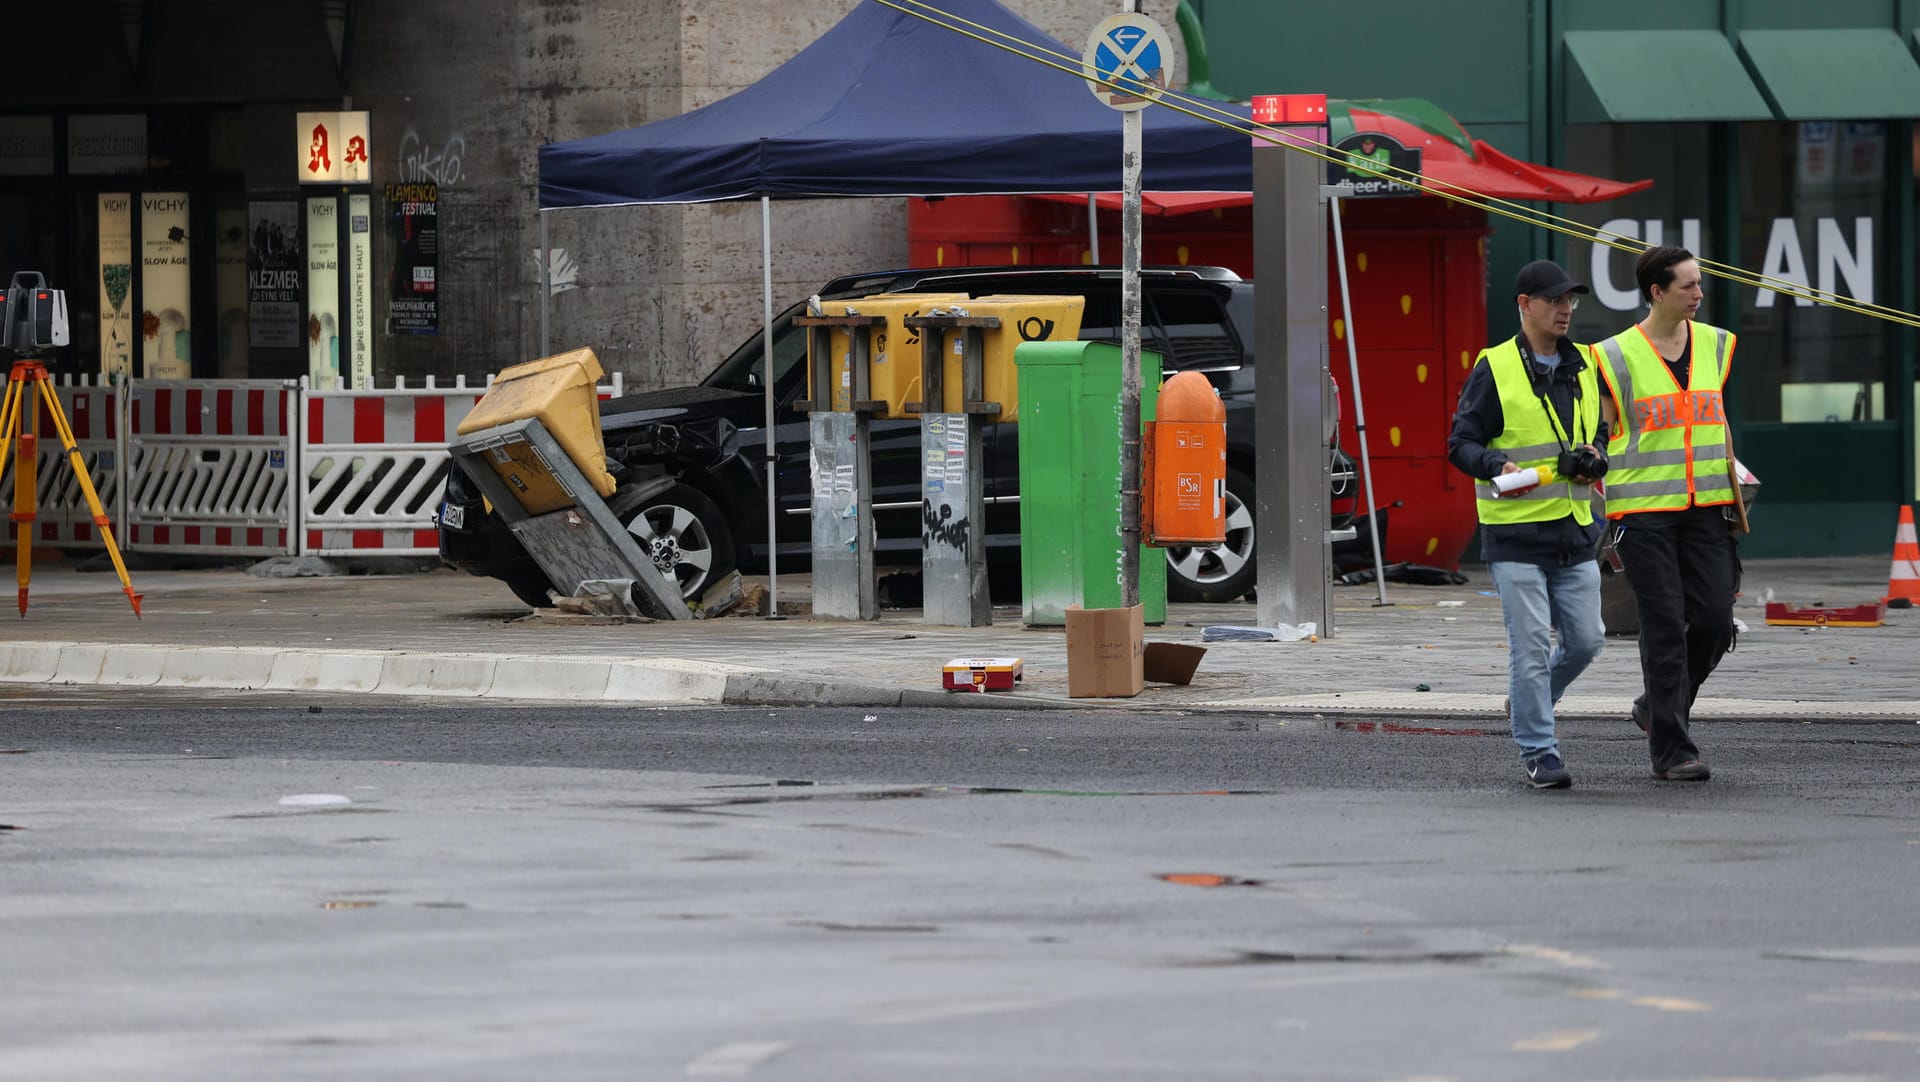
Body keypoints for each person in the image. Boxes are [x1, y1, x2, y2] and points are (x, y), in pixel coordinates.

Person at [1448, 260, 1607, 789]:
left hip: (1575, 528)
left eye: (1571, 300)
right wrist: (1497, 466)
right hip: (1515, 535)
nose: (1565, 309)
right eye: (1555, 299)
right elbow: (1460, 445)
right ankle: (1540, 750)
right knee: (1532, 646)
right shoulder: (1495, 367)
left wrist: (1595, 452)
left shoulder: (1583, 362)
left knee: (1586, 642)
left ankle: (1528, 699)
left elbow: (1600, 427)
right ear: (1524, 304)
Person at [1589, 246, 1737, 782]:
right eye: (1688, 286)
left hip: (1707, 507)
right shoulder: (1615, 355)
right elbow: (1602, 431)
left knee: (1717, 621)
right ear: (1657, 292)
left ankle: (1656, 707)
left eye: (1700, 284)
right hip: (1643, 511)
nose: (1699, 294)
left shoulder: (1718, 345)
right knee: (1664, 626)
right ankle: (1673, 750)